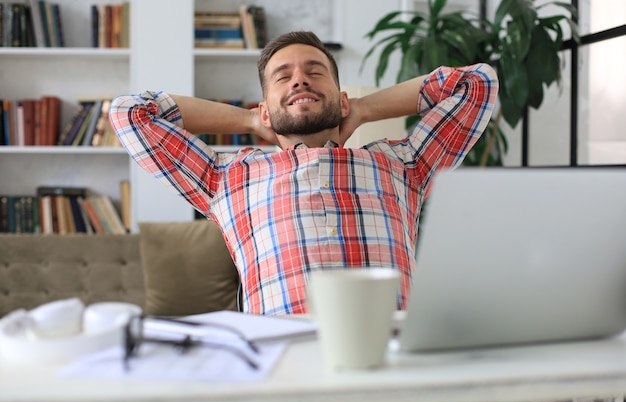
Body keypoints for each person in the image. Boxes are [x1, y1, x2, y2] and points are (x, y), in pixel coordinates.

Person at [109, 31, 498, 316]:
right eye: (283, 76)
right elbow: (130, 112)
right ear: (265, 110)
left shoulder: (404, 165)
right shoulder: (225, 178)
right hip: (288, 374)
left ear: (341, 98)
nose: (299, 79)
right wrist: (248, 118)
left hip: (392, 369)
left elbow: (476, 83)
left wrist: (361, 108)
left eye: (315, 72)